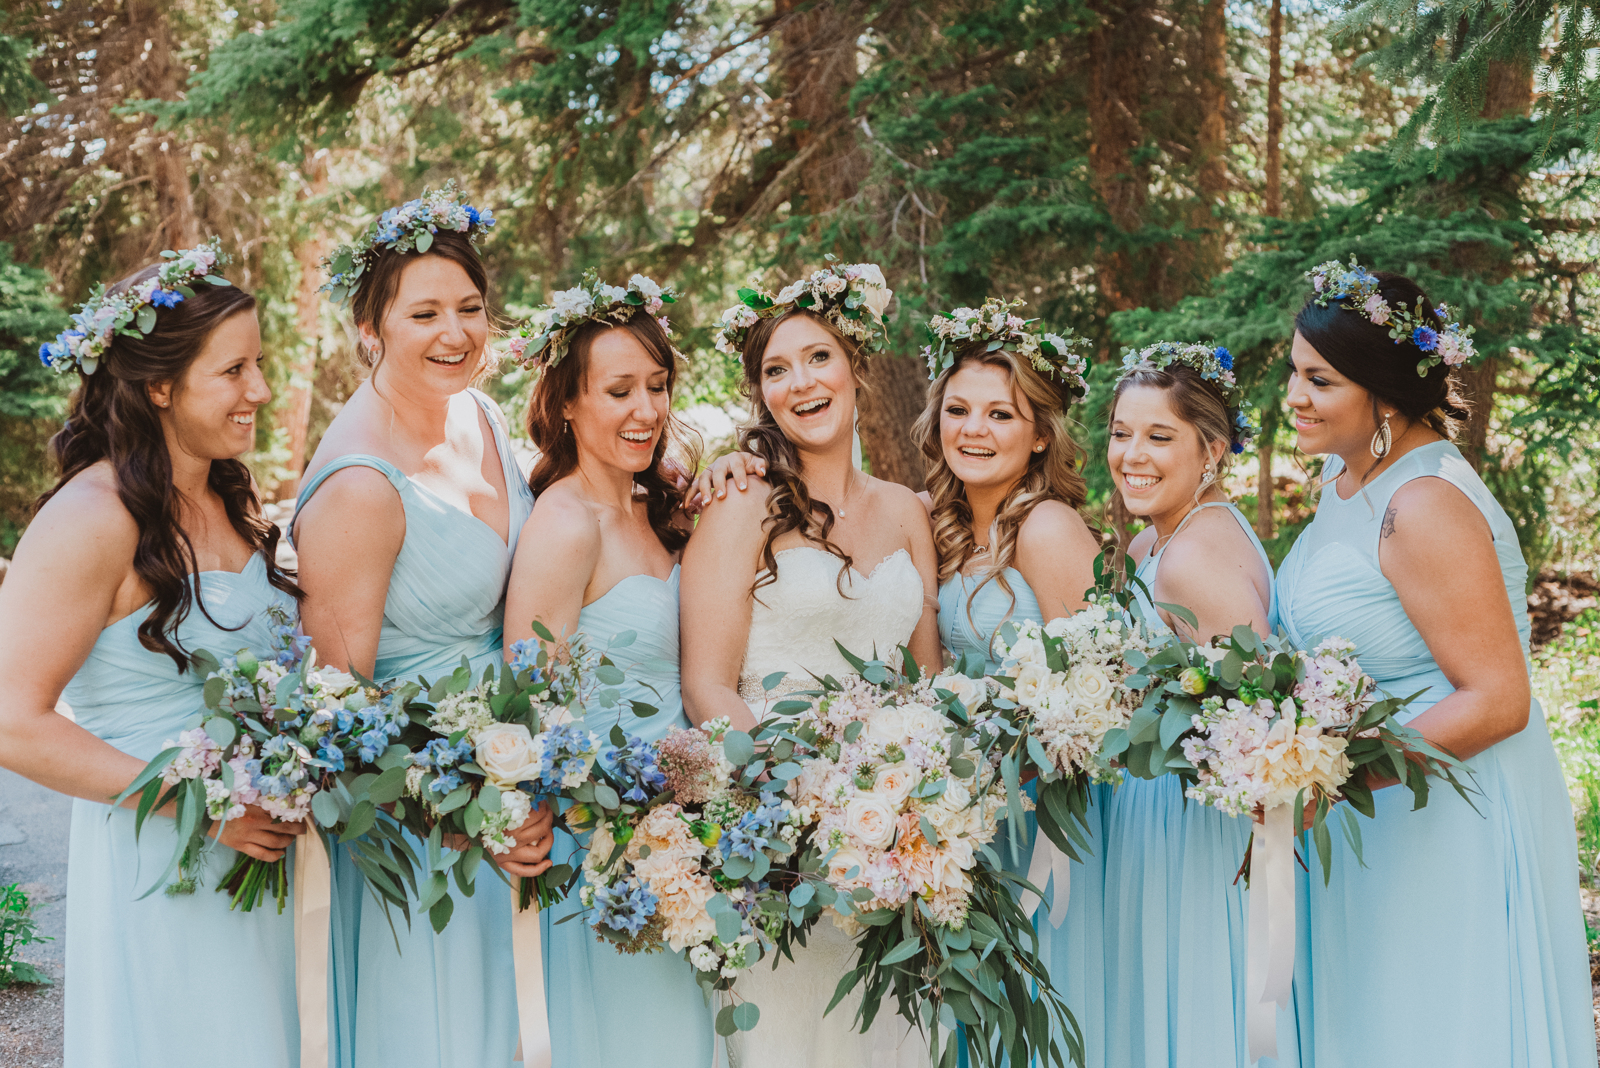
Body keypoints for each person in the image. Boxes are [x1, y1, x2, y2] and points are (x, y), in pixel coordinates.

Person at [1276, 261, 1597, 1066]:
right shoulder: (1344, 476)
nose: (1294, 397)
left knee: (1436, 1024)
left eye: (1320, 380)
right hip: (1382, 811)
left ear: (1382, 391)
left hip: (1447, 811)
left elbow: (1497, 699)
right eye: (1293, 372)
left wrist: (1336, 775)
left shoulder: (1423, 504)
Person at [0, 243, 306, 1067]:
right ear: (160, 387)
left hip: (265, 850)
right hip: (165, 856)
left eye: (260, 365)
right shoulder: (93, 518)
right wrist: (202, 804)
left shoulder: (221, 492)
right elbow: (13, 724)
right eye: (235, 371)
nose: (261, 391)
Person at [292, 186, 552, 1068]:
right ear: (372, 327)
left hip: (505, 787)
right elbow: (336, 699)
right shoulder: (360, 482)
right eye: (425, 313)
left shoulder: (479, 415)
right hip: (420, 814)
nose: (456, 333)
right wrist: (455, 807)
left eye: (470, 309)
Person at [681, 262, 942, 1068]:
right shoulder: (739, 507)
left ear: (856, 364)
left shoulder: (907, 510)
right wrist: (801, 801)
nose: (802, 383)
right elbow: (707, 684)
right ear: (761, 395)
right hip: (783, 852)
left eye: (819, 357)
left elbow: (929, 683)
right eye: (776, 370)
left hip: (895, 852)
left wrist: (912, 805)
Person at [500, 273, 715, 1066]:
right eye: (619, 390)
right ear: (566, 403)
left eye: (657, 387)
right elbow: (528, 700)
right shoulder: (565, 521)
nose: (647, 411)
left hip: (684, 832)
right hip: (603, 846)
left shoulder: (654, 502)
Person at [911, 299, 1106, 1066]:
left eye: (1001, 413)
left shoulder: (1049, 528)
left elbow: (1102, 686)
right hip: (964, 818)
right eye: (959, 410)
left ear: (1039, 434)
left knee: (1037, 1011)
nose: (974, 430)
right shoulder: (934, 522)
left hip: (1042, 814)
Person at [1098, 342, 1302, 1068]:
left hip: (1188, 833)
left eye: (1159, 436)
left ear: (1211, 449)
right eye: (1122, 432)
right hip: (1166, 817)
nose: (1132, 455)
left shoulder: (1191, 556)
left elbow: (1258, 724)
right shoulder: (1175, 535)